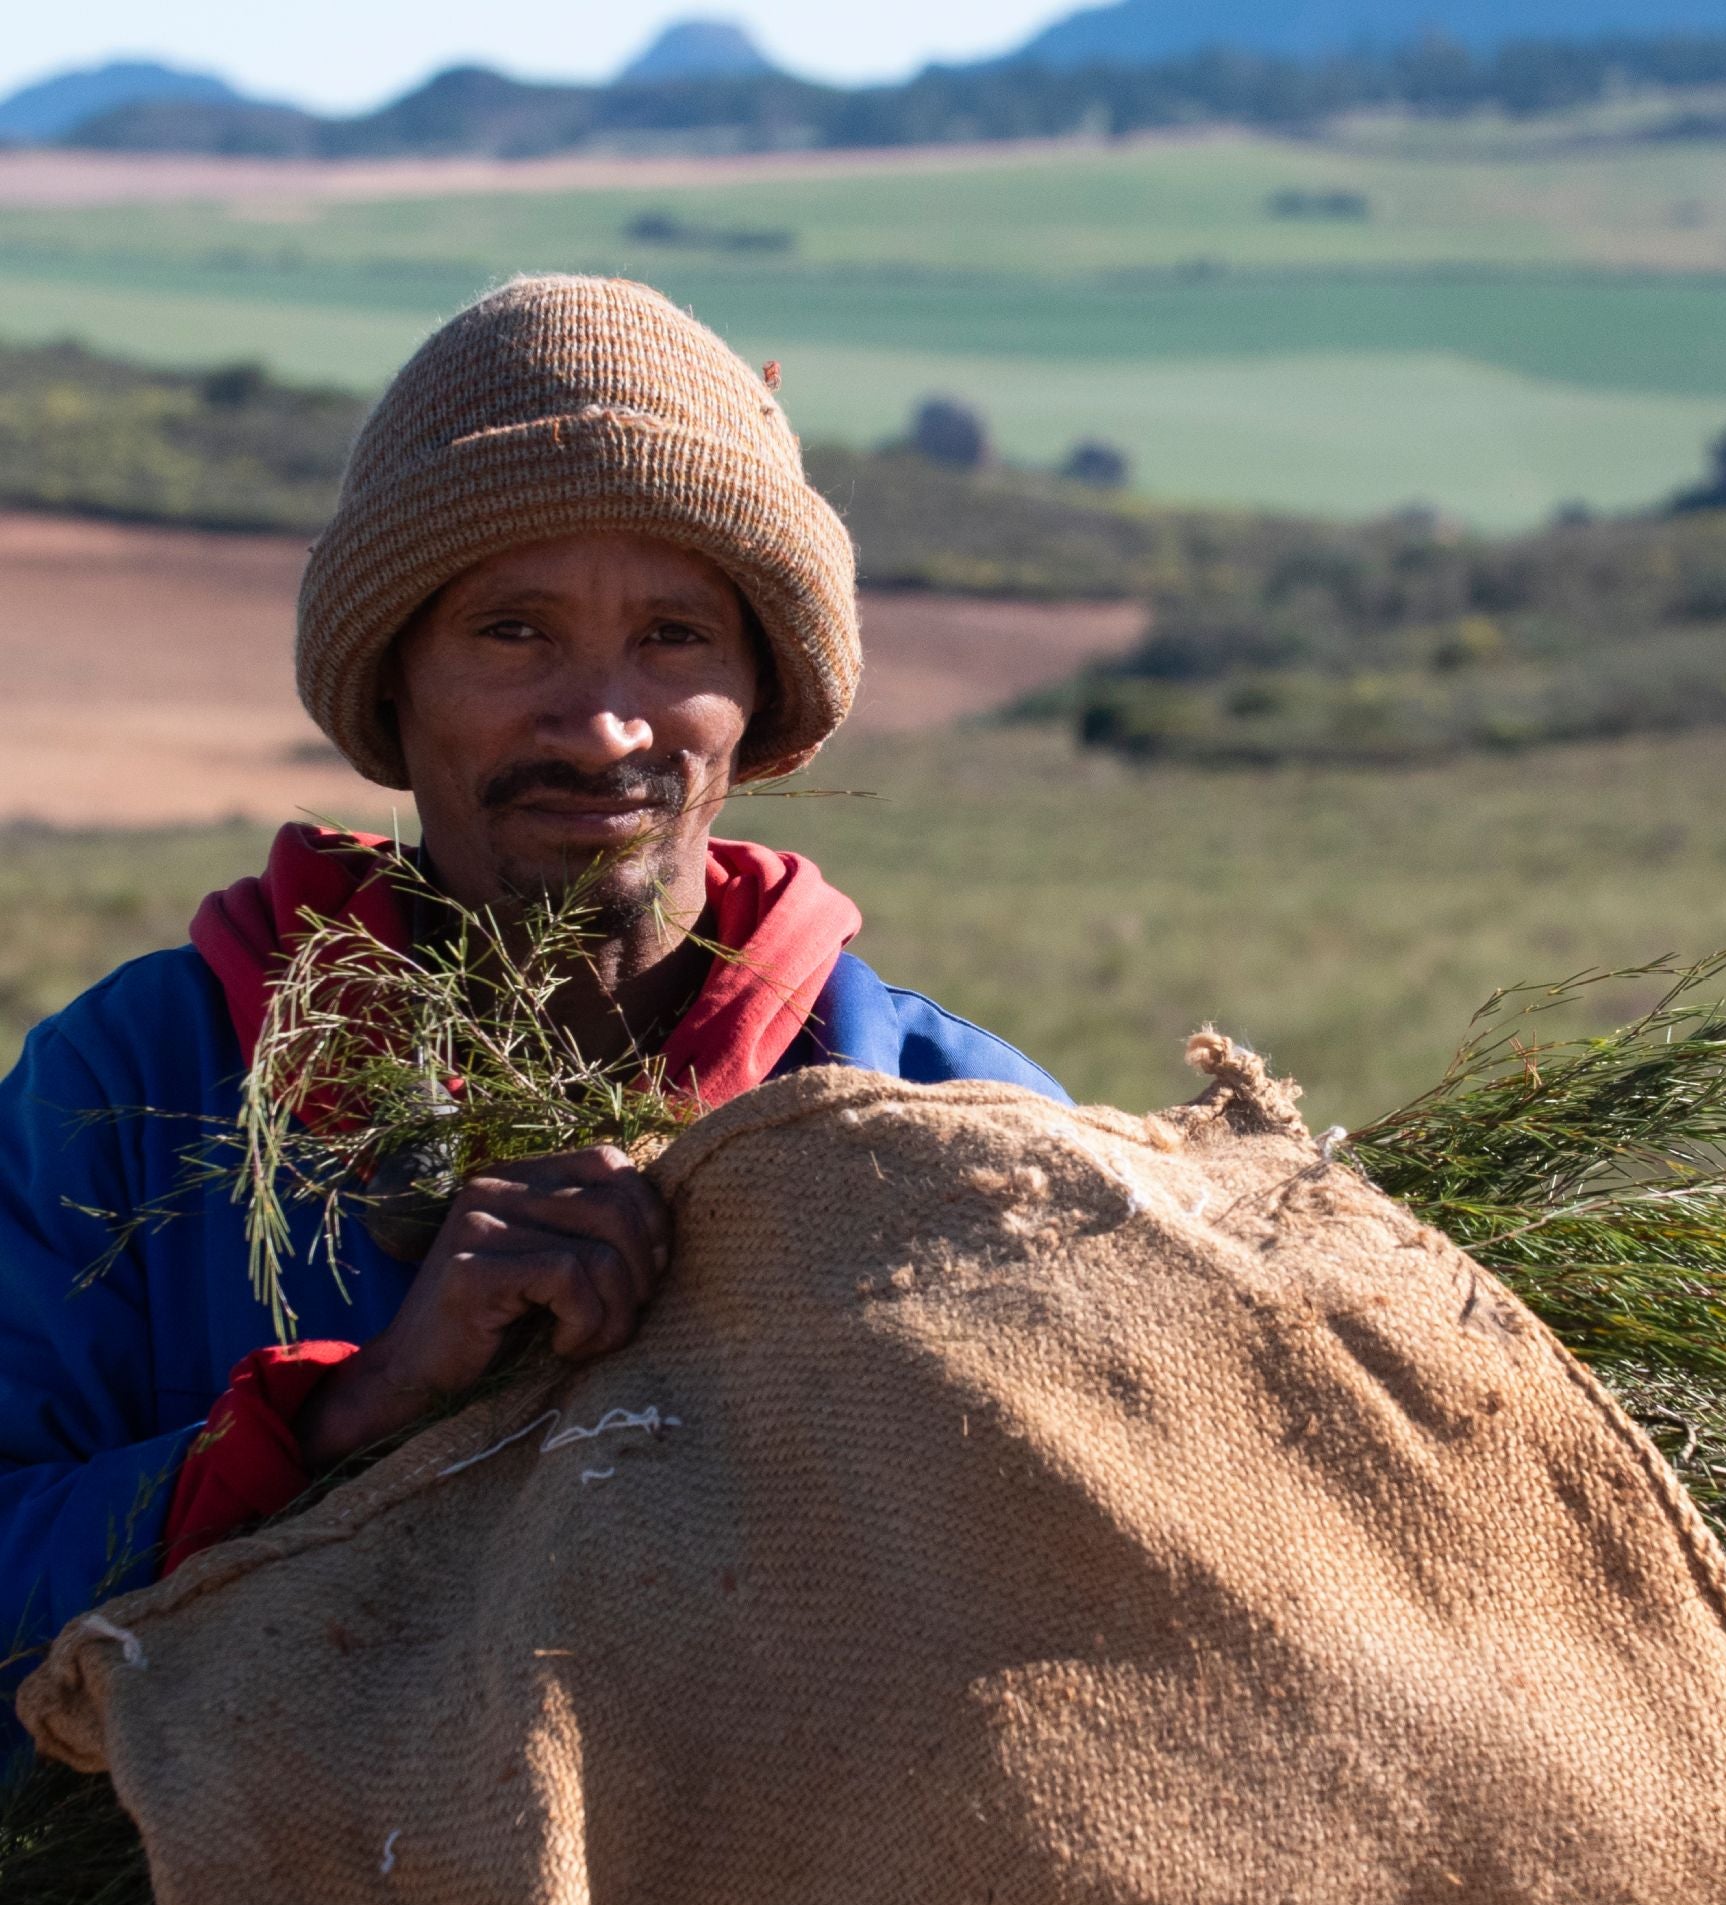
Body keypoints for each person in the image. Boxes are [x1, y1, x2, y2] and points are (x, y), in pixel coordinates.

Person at [0, 276, 1069, 1740]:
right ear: (398, 686)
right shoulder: (131, 1090)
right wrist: (350, 1415)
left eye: (678, 639)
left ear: (758, 698)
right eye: (513, 632)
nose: (606, 725)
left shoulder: (954, 1122)